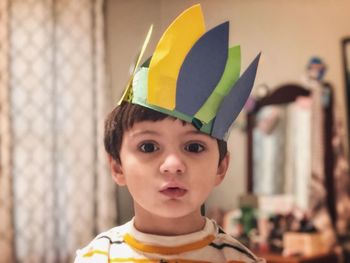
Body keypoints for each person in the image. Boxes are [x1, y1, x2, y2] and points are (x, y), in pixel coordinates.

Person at [74, 4, 264, 263]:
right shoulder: (97, 257)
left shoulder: (239, 260)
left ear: (221, 166)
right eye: (148, 147)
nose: (173, 165)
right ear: (117, 166)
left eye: (194, 147)